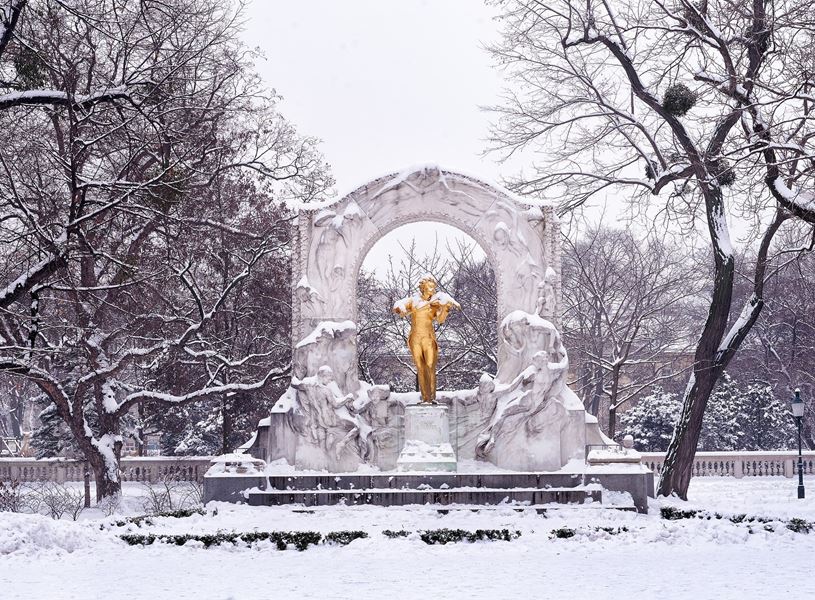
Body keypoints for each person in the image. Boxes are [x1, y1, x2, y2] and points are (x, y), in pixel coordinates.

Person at [392, 276, 460, 403]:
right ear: (423, 287)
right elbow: (397, 306)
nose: (432, 289)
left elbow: (440, 320)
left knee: (430, 366)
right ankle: (425, 398)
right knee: (420, 367)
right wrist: (400, 308)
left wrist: (445, 308)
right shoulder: (414, 301)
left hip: (428, 338)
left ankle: (431, 398)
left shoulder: (435, 304)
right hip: (415, 338)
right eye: (430, 287)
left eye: (434, 287)